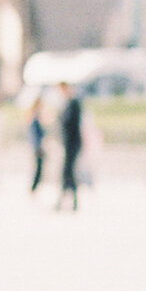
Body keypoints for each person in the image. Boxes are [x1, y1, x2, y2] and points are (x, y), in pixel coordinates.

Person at [55, 81, 83, 210]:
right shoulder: (67, 103)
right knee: (68, 172)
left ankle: (66, 201)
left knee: (68, 172)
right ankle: (66, 201)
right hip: (68, 143)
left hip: (72, 143)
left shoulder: (74, 103)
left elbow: (70, 123)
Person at [27, 92, 47, 195]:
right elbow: (35, 134)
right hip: (38, 147)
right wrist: (38, 146)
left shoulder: (36, 117)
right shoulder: (35, 118)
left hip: (37, 146)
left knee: (39, 169)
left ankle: (34, 188)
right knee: (38, 169)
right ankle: (33, 188)